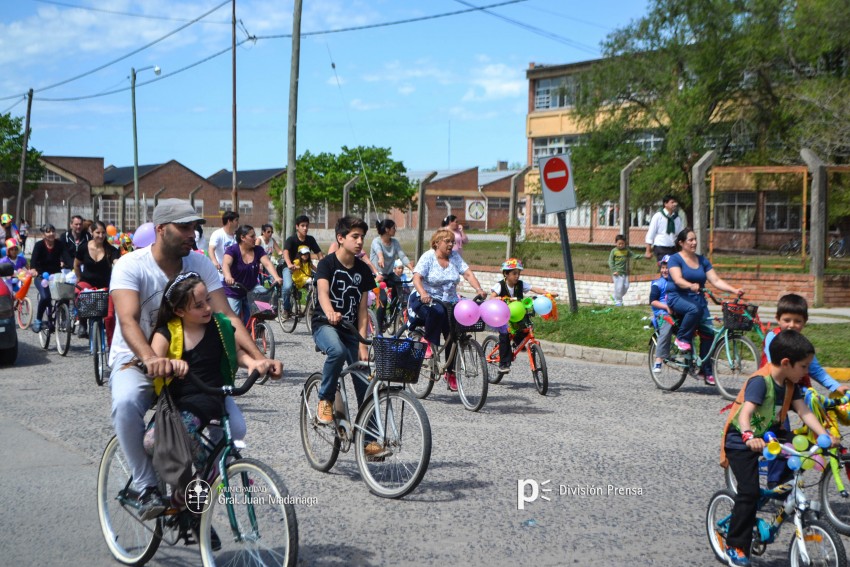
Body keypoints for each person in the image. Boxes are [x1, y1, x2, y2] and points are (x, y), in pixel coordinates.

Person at [109, 199, 282, 521]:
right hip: (140, 359)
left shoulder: (199, 264)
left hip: (193, 366)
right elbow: (128, 319)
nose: (194, 233)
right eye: (184, 227)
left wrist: (260, 359)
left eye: (194, 226)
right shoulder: (130, 265)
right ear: (161, 229)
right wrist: (150, 358)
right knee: (128, 400)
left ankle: (191, 501)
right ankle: (146, 485)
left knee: (230, 432)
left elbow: (226, 316)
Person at [719, 330, 835, 567]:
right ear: (786, 363)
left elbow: (804, 412)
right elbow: (746, 414)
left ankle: (781, 493)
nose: (806, 371)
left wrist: (825, 435)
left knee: (805, 450)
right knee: (749, 493)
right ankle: (735, 544)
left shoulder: (790, 384)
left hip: (772, 435)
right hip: (742, 441)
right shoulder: (760, 382)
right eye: (804, 366)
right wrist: (749, 435)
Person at [145, 272, 274, 476]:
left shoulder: (219, 326)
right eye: (198, 305)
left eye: (208, 300)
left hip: (211, 394)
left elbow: (236, 351)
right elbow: (154, 362)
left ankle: (208, 474)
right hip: (177, 400)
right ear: (179, 311)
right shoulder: (166, 332)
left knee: (188, 433)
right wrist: (168, 364)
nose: (207, 308)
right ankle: (182, 484)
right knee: (151, 441)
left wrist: (251, 363)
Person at [761, 294, 849, 488]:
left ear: (805, 322)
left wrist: (836, 386)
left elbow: (815, 369)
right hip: (775, 391)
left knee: (817, 420)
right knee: (780, 430)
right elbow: (774, 364)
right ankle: (776, 482)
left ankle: (803, 459)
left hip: (797, 389)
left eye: (798, 321)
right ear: (778, 319)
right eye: (787, 320)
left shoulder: (803, 344)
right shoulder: (773, 337)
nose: (792, 325)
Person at [311, 216, 381, 457]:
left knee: (366, 384)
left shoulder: (363, 270)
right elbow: (322, 292)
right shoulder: (327, 264)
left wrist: (362, 344)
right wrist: (329, 312)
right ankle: (325, 400)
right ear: (340, 238)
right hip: (324, 325)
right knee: (337, 352)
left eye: (362, 237)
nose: (360, 241)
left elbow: (363, 311)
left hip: (352, 330)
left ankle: (369, 441)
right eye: (355, 236)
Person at [410, 228, 487, 391]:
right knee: (437, 311)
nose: (451, 244)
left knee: (454, 331)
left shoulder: (454, 257)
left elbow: (468, 274)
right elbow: (417, 278)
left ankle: (450, 372)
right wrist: (423, 292)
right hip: (426, 299)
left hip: (450, 301)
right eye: (447, 241)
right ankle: (428, 343)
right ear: (437, 243)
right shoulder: (428, 257)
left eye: (453, 241)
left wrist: (479, 289)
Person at [666, 228, 743, 385]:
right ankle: (681, 338)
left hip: (698, 300)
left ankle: (705, 370)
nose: (694, 243)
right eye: (690, 240)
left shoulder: (702, 260)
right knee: (694, 309)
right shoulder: (675, 259)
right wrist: (690, 285)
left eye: (695, 239)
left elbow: (715, 280)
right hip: (678, 297)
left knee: (709, 333)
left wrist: (734, 290)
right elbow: (678, 279)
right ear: (681, 243)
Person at [488, 258, 558, 375]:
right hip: (503, 315)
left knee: (525, 328)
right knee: (504, 335)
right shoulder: (500, 285)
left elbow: (533, 288)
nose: (517, 276)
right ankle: (503, 364)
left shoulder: (520, 284)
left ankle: (517, 342)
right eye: (514, 273)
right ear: (506, 274)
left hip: (518, 313)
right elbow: (492, 297)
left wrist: (546, 293)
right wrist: (499, 298)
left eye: (518, 273)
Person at [221, 224, 282, 324]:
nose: (255, 238)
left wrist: (276, 277)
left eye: (255, 236)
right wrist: (228, 276)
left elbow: (267, 263)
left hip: (251, 289)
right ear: (242, 238)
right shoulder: (232, 250)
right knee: (233, 320)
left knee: (265, 299)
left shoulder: (258, 250)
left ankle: (259, 328)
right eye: (252, 236)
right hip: (234, 290)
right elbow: (226, 264)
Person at [73, 220, 120, 342]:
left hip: (105, 285)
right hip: (87, 282)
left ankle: (111, 347)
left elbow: (116, 262)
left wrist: (118, 262)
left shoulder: (111, 250)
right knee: (78, 292)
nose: (101, 236)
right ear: (91, 232)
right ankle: (82, 322)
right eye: (97, 232)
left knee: (109, 317)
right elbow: (76, 265)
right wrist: (78, 278)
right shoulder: (83, 247)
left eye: (103, 233)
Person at [370, 219, 414, 331]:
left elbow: (402, 256)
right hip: (377, 276)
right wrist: (381, 258)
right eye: (394, 228)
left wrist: (413, 269)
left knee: (400, 287)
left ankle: (393, 312)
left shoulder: (394, 242)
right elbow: (379, 251)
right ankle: (379, 328)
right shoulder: (376, 241)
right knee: (383, 300)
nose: (395, 230)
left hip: (389, 274)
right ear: (387, 229)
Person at [281, 215, 323, 319]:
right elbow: (285, 252)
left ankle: (313, 306)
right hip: (290, 269)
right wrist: (289, 264)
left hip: (306, 269)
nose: (305, 228)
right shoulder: (291, 240)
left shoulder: (310, 239)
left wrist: (322, 266)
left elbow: (319, 253)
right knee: (287, 287)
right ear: (297, 227)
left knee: (320, 283)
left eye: (307, 226)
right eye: (302, 226)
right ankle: (286, 308)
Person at [29, 224, 62, 333]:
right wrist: (33, 269)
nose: (51, 234)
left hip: (55, 277)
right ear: (43, 234)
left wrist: (72, 266)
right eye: (48, 232)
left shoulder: (59, 244)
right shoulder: (39, 245)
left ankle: (64, 317)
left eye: (53, 231)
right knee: (45, 297)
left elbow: (66, 256)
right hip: (41, 276)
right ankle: (38, 320)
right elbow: (33, 260)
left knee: (65, 295)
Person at [649, 255, 675, 373]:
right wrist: (665, 307)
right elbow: (653, 301)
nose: (665, 270)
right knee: (667, 324)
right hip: (662, 313)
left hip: (675, 311)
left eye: (668, 267)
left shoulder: (676, 283)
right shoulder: (658, 284)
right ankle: (658, 359)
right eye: (663, 267)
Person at [644, 195, 686, 261]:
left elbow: (679, 234)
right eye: (672, 202)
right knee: (665, 268)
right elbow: (651, 233)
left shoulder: (677, 218)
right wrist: (648, 251)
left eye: (675, 202)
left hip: (673, 248)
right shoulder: (658, 216)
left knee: (673, 269)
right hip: (661, 248)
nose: (675, 204)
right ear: (665, 204)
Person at [608, 234, 642, 306]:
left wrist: (644, 256)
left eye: (622, 243)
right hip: (616, 273)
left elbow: (634, 256)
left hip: (624, 273)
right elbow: (610, 261)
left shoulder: (626, 250)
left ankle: (615, 296)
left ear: (625, 243)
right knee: (619, 287)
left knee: (626, 286)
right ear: (616, 243)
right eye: (619, 243)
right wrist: (614, 270)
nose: (621, 245)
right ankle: (619, 301)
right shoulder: (614, 251)